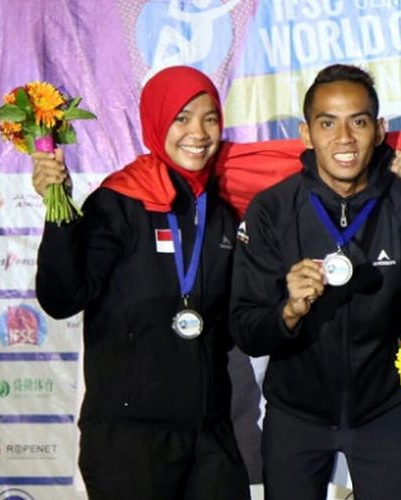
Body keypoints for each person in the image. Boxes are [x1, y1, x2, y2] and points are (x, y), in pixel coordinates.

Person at [229, 64, 401, 500]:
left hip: (386, 411)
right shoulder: (272, 211)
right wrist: (288, 311)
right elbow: (245, 328)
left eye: (357, 121)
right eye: (327, 123)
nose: (343, 138)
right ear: (306, 134)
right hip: (295, 417)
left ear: (378, 131)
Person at [31, 66, 250, 500]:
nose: (198, 132)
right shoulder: (118, 202)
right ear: (155, 119)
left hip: (208, 434)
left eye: (210, 118)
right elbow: (62, 298)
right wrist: (58, 218)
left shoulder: (222, 213)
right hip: (129, 440)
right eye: (181, 117)